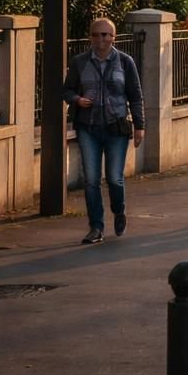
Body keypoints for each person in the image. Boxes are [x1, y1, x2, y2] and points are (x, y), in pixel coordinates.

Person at [63, 18, 145, 245]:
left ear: (113, 37)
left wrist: (140, 126)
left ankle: (119, 211)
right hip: (88, 127)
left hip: (116, 127)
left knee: (115, 179)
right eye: (97, 34)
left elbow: (135, 96)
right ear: (90, 37)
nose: (101, 39)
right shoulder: (80, 62)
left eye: (106, 35)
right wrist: (77, 99)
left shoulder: (125, 62)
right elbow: (66, 90)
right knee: (91, 180)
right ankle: (96, 227)